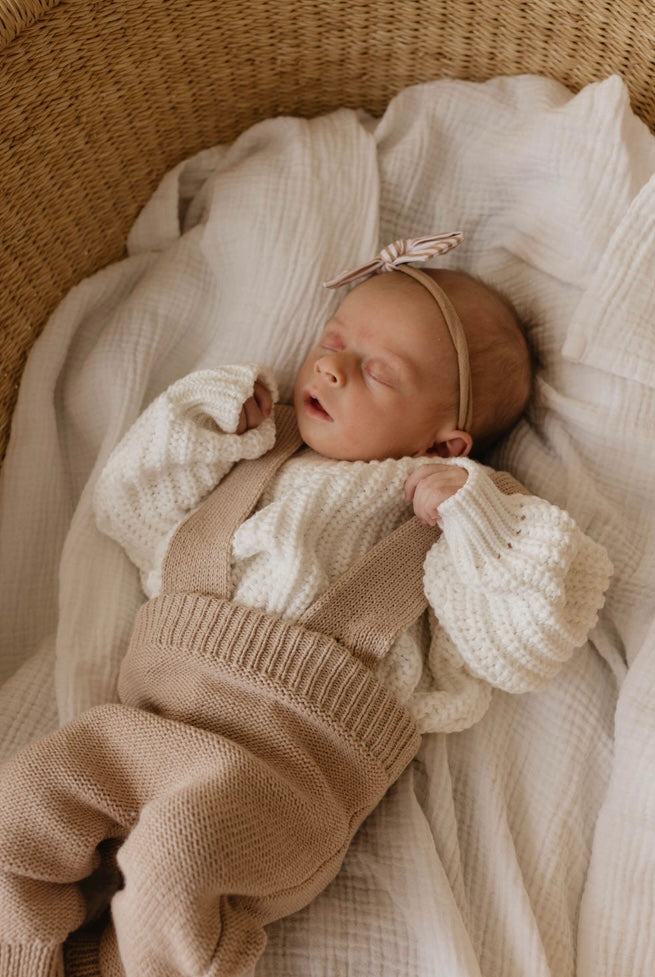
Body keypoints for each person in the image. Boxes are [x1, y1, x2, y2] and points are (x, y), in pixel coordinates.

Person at [0, 236, 612, 977]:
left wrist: (472, 514)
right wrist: (203, 422)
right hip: (147, 725)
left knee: (177, 852)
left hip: (282, 776)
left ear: (445, 440)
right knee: (28, 791)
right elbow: (129, 505)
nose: (330, 367)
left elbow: (528, 638)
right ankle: (19, 948)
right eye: (335, 340)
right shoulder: (258, 444)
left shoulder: (454, 519)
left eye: (376, 370)